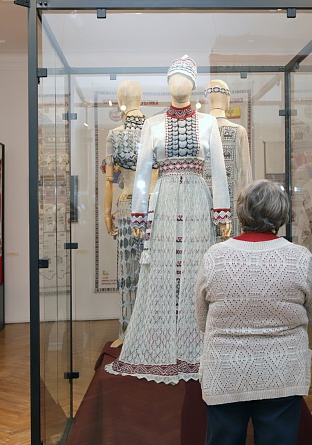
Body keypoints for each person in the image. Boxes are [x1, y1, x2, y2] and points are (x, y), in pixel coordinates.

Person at [106, 55, 232, 384]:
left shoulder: (207, 123)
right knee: (161, 268)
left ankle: (196, 345)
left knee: (196, 270)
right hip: (163, 201)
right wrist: (139, 213)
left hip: (197, 199)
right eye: (174, 78)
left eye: (185, 79)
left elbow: (218, 169)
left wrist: (222, 211)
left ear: (193, 84)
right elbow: (143, 172)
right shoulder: (153, 124)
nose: (179, 84)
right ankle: (160, 343)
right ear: (167, 84)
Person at [195, 179, 312, 445]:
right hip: (282, 372)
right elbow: (310, 315)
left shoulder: (215, 256)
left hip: (225, 372)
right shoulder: (299, 257)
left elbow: (202, 319)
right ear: (282, 214)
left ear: (241, 212)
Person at [102, 80, 157, 340]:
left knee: (129, 268)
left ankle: (128, 334)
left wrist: (106, 215)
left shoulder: (115, 134)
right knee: (153, 268)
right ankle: (150, 333)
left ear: (120, 101)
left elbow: (109, 181)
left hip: (127, 204)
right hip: (154, 206)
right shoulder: (155, 129)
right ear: (141, 98)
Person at [204, 79, 252, 236]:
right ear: (227, 99)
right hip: (231, 212)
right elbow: (245, 177)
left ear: (207, 100)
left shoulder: (199, 132)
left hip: (202, 209)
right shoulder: (239, 131)